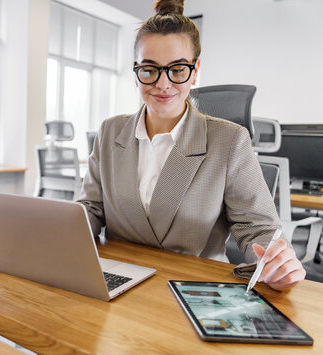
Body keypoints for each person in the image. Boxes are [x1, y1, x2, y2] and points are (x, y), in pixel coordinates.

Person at [77, 0, 305, 291]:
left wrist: (274, 263)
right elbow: (91, 208)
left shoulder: (229, 141)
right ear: (136, 71)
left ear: (195, 71)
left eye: (177, 70)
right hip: (117, 280)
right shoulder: (110, 131)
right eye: (149, 69)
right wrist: (65, 232)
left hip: (194, 289)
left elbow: (257, 228)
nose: (162, 84)